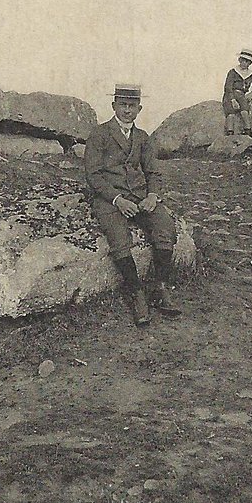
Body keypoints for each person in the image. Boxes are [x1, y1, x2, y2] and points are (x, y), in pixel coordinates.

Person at [84, 84, 182, 326]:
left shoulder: (142, 138)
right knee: (119, 238)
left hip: (140, 196)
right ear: (113, 106)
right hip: (110, 197)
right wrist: (117, 200)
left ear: (139, 108)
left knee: (164, 225)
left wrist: (152, 196)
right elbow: (93, 175)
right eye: (122, 105)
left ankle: (159, 287)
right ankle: (137, 294)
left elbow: (154, 172)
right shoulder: (100, 134)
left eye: (132, 106)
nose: (127, 110)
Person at [223, 48, 252, 138]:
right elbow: (228, 87)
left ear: (250, 63)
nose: (244, 63)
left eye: (247, 61)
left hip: (242, 95)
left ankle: (248, 133)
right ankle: (230, 134)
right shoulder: (233, 72)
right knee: (231, 114)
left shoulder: (251, 74)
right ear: (239, 60)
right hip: (231, 94)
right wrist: (233, 100)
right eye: (242, 60)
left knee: (245, 111)